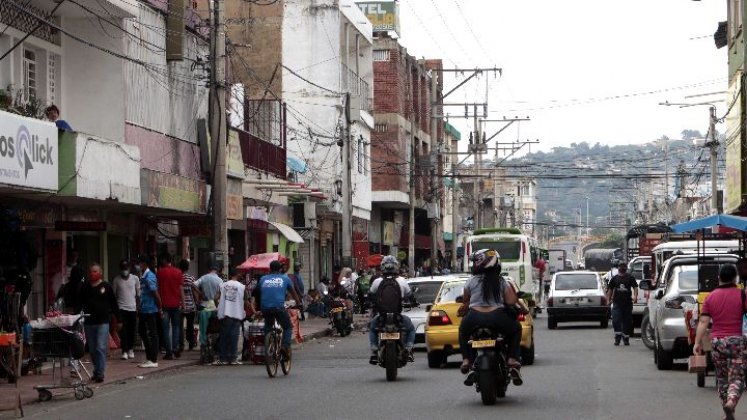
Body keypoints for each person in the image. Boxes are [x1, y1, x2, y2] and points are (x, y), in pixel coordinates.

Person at [457, 249, 522, 386]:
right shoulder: (501, 281)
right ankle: (511, 359)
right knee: (516, 329)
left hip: (474, 317)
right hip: (497, 317)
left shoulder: (471, 281)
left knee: (463, 332)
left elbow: (465, 301)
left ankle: (466, 361)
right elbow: (511, 302)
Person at [694, 265, 745, 420]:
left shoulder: (711, 297)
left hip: (717, 342)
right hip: (736, 342)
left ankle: (727, 412)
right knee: (736, 377)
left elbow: (703, 322)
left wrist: (697, 343)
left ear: (719, 278)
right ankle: (731, 402)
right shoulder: (742, 295)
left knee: (722, 379)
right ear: (735, 278)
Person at [367, 255, 416, 365]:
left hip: (382, 317)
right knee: (411, 329)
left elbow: (370, 296)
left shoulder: (377, 281)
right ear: (396, 267)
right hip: (397, 317)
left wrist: (370, 304)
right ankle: (408, 349)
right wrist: (413, 303)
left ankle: (374, 352)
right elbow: (410, 296)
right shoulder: (402, 281)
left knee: (373, 328)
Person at [252, 260, 302, 357]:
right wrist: (299, 303)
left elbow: (255, 292)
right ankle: (284, 346)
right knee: (288, 327)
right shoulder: (285, 279)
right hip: (279, 308)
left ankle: (268, 342)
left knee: (268, 327)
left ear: (269, 269)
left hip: (265, 308)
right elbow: (294, 292)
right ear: (280, 269)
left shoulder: (263, 279)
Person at [79, 263, 118, 382]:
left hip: (103, 322)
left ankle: (100, 373)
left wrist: (119, 318)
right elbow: (80, 302)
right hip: (89, 322)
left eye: (95, 271)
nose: (93, 274)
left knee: (100, 347)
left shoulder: (106, 286)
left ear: (100, 273)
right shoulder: (85, 287)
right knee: (92, 349)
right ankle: (96, 370)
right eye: (91, 272)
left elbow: (113, 303)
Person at [214, 268, 249, 365]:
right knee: (234, 337)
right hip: (237, 314)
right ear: (237, 275)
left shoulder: (222, 285)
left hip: (225, 313)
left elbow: (215, 298)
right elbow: (246, 301)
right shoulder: (242, 287)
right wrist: (254, 311)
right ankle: (233, 358)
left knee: (224, 336)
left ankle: (223, 358)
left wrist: (219, 306)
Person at [111, 259, 140, 360]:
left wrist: (138, 307)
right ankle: (124, 350)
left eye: (126, 268)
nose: (125, 270)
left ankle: (131, 349)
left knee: (132, 330)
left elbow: (138, 294)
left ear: (129, 268)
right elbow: (113, 296)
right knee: (123, 331)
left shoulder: (135, 279)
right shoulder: (116, 280)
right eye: (123, 268)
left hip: (132, 308)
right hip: (121, 308)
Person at [157, 254, 184, 360]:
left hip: (164, 305)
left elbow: (158, 288)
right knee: (176, 326)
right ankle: (175, 348)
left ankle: (168, 352)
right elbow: (181, 288)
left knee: (165, 328)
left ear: (164, 260)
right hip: (176, 304)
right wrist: (183, 302)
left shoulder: (160, 272)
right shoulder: (178, 272)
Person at [606, 262, 638, 346]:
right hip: (617, 303)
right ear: (618, 268)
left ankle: (626, 338)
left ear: (626, 268)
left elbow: (635, 287)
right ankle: (617, 337)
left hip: (627, 304)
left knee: (627, 322)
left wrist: (635, 297)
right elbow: (610, 289)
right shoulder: (614, 278)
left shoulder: (630, 278)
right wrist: (608, 300)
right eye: (621, 267)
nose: (622, 268)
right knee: (616, 320)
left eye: (624, 267)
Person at [138, 255, 161, 368]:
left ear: (144, 264)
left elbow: (155, 293)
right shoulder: (143, 275)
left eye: (140, 263)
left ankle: (153, 359)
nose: (139, 266)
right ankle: (149, 357)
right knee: (142, 331)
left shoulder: (149, 276)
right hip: (143, 309)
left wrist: (160, 307)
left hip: (151, 309)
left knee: (153, 334)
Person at [195, 264, 224, 350]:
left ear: (209, 270)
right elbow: (221, 293)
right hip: (215, 307)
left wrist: (200, 294)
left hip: (204, 306)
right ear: (217, 271)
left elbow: (193, 285)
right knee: (216, 327)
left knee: (204, 327)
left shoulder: (203, 277)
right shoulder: (220, 280)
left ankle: (203, 342)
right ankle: (216, 343)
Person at [179, 259, 198, 352]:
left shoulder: (178, 277)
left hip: (180, 305)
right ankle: (190, 344)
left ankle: (181, 345)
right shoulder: (191, 278)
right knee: (190, 325)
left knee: (180, 326)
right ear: (187, 268)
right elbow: (194, 293)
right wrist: (197, 302)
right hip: (190, 305)